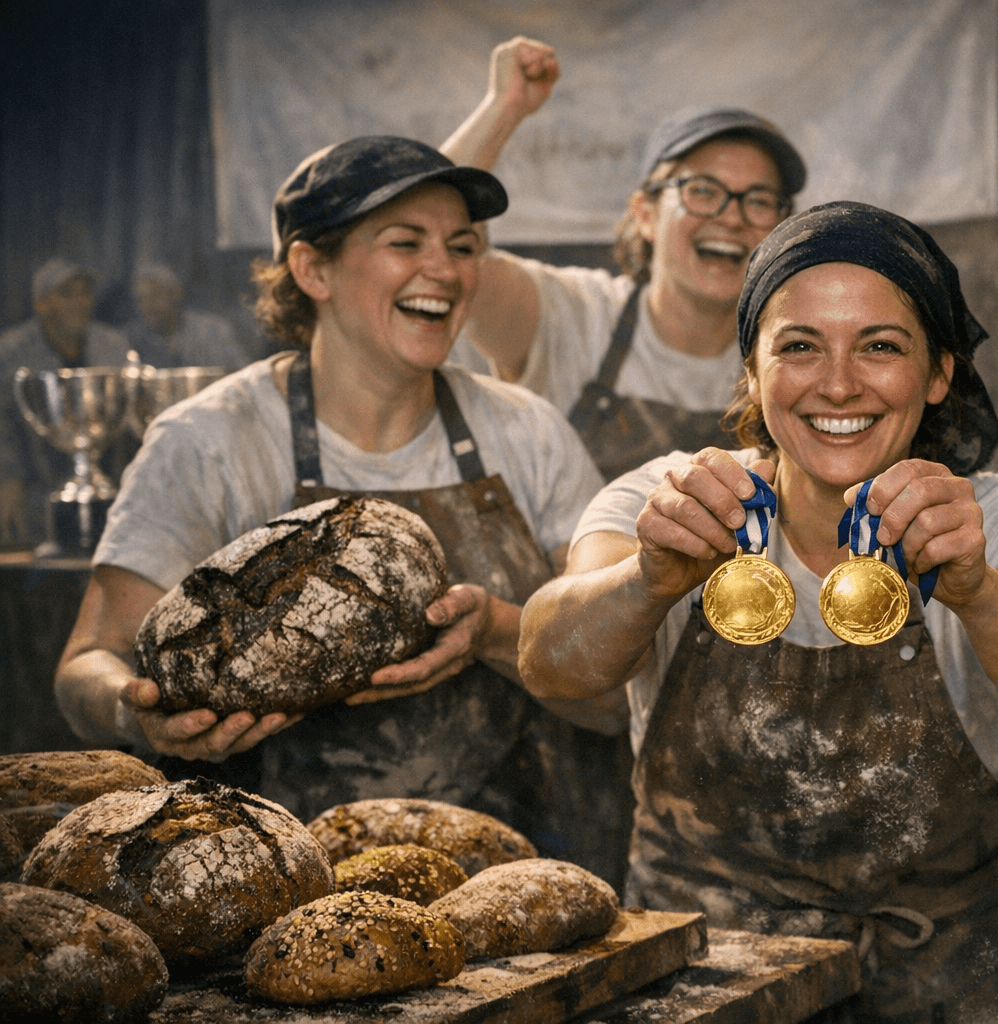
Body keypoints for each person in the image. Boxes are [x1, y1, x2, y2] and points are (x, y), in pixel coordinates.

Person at [519, 201, 998, 1022]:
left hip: (968, 988)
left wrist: (977, 587)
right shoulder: (677, 502)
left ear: (938, 374)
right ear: (752, 374)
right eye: (799, 347)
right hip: (708, 991)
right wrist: (649, 579)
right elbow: (549, 661)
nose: (838, 384)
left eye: (881, 347)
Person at [53, 136, 634, 887]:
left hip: (521, 885)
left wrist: (492, 629)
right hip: (274, 903)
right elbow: (83, 669)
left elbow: (617, 684)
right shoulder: (211, 440)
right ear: (311, 268)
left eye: (464, 245)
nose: (447, 270)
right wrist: (139, 713)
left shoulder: (527, 432)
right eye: (406, 242)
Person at [439, 36, 807, 480]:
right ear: (645, 215)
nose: (731, 217)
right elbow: (440, 253)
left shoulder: (790, 354)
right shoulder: (571, 316)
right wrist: (504, 107)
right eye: (703, 191)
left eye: (759, 200)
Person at [0, 259, 133, 546]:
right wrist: (8, 479)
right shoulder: (10, 351)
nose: (79, 302)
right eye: (66, 293)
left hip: (109, 485)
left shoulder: (114, 346)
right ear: (40, 303)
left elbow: (128, 417)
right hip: (33, 487)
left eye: (85, 292)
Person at [122, 262, 251, 369]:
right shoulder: (129, 339)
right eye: (141, 299)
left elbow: (241, 373)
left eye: (155, 296)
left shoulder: (212, 331)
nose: (148, 305)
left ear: (175, 295)